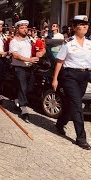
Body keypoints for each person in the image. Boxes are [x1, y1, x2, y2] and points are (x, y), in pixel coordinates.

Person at [52, 15, 91, 150]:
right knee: (77, 105)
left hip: (84, 76)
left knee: (72, 105)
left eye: (86, 24)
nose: (85, 26)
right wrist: (55, 79)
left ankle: (60, 123)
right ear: (74, 27)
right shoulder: (68, 43)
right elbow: (59, 61)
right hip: (70, 76)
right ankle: (81, 138)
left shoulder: (89, 43)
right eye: (81, 24)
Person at [9, 20, 43, 122]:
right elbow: (15, 55)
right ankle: (24, 110)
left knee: (29, 88)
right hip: (19, 68)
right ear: (17, 29)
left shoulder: (30, 40)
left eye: (26, 28)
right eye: (22, 28)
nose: (25, 30)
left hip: (30, 67)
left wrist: (40, 53)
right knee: (23, 87)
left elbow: (42, 47)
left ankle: (17, 100)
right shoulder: (14, 41)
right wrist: (28, 59)